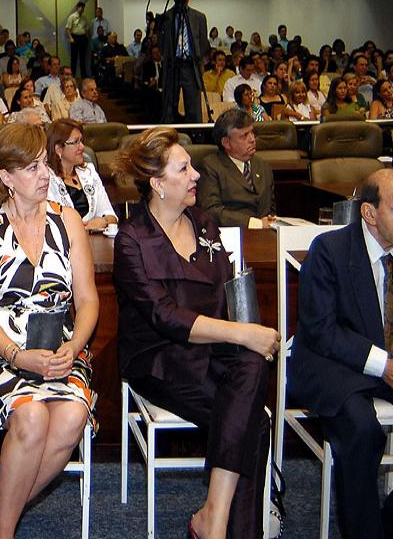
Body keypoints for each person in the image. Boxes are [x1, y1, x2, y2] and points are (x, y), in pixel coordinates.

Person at [114, 127, 276, 538]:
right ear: (157, 183)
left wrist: (243, 336)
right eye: (184, 169)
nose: (196, 175)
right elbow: (165, 316)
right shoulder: (132, 238)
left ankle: (213, 520)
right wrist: (242, 334)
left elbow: (224, 293)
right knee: (253, 422)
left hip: (213, 352)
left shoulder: (204, 223)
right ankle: (222, 527)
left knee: (253, 366)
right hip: (159, 359)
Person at [288, 170, 393, 539]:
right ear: (369, 212)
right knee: (362, 429)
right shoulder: (329, 251)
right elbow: (322, 331)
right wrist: (386, 367)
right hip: (333, 366)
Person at [0, 123, 98, 539]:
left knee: (73, 415)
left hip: (61, 348)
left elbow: (88, 301)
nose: (45, 175)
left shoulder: (69, 221)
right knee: (33, 416)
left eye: (45, 165)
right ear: (6, 176)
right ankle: (5, 532)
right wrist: (18, 356)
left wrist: (74, 347)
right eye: (33, 167)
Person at [198, 109, 277, 229]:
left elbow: (271, 209)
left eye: (252, 133)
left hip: (267, 234)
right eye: (244, 136)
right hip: (233, 235)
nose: (252, 139)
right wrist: (255, 224)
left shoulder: (263, 165)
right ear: (226, 143)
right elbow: (211, 211)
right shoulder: (210, 167)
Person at [46, 118, 117, 231]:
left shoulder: (89, 171)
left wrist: (103, 221)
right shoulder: (46, 178)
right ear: (58, 149)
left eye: (81, 141)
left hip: (96, 238)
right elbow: (54, 222)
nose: (82, 147)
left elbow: (111, 215)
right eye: (76, 142)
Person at [156, 0, 211, 125]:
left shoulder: (199, 17)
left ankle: (195, 134)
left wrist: (200, 61)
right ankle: (169, 133)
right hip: (172, 66)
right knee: (169, 108)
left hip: (190, 65)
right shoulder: (165, 17)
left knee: (193, 108)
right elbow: (161, 44)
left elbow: (203, 44)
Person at [65, 2, 90, 78]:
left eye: (83, 8)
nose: (82, 9)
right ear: (77, 8)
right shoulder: (72, 17)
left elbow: (86, 28)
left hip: (82, 37)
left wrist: (87, 37)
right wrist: (71, 38)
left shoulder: (84, 18)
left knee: (83, 58)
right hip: (74, 37)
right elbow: (68, 28)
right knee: (74, 58)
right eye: (81, 7)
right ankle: (72, 75)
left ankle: (83, 76)